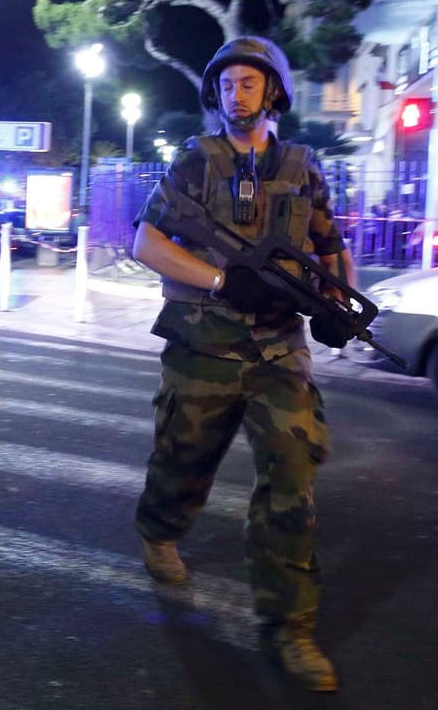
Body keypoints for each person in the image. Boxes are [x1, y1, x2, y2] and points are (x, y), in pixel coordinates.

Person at [130, 36, 355, 692]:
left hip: (279, 348)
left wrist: (337, 300)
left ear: (273, 91)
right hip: (205, 341)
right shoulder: (196, 163)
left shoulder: (300, 165)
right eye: (227, 83)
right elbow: (146, 241)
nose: (237, 92)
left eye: (249, 82)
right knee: (182, 460)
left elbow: (330, 246)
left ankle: (289, 630)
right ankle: (159, 527)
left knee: (293, 476)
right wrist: (222, 280)